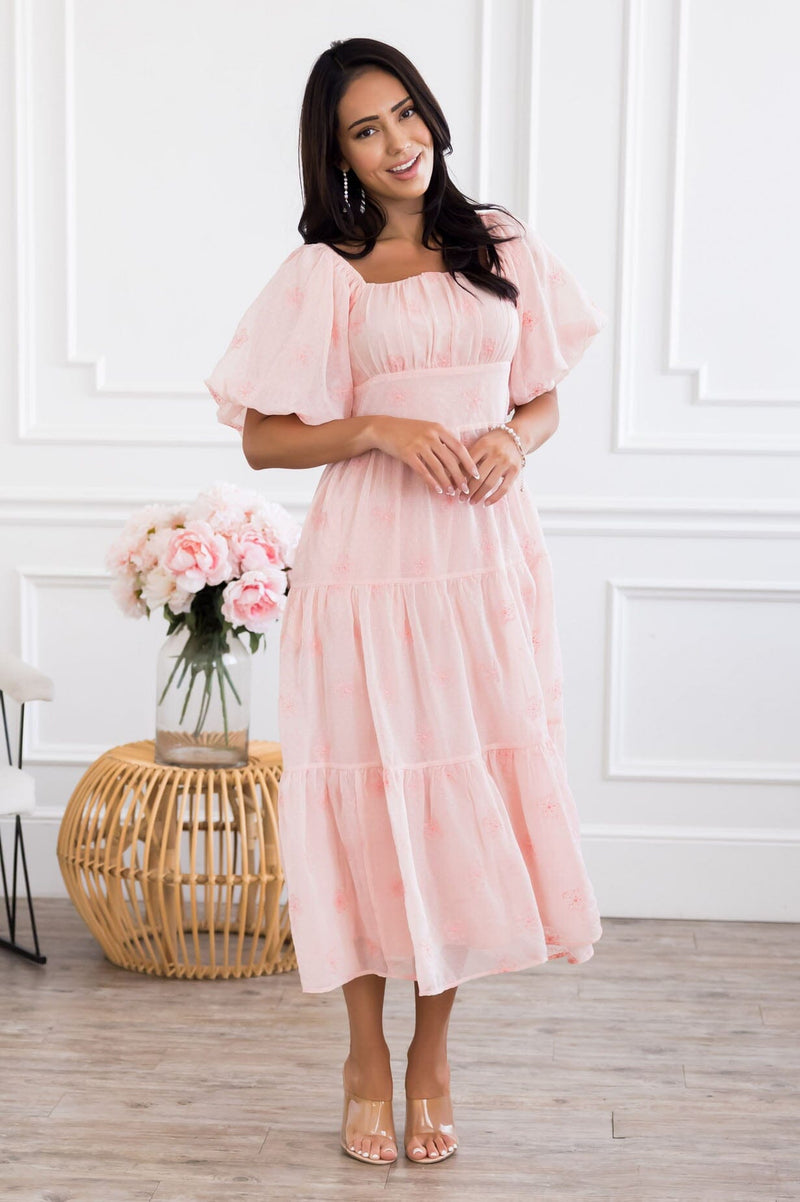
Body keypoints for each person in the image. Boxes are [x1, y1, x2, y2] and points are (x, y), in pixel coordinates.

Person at [205, 36, 606, 1168]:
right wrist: (376, 425)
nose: (396, 143)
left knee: (460, 796)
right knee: (370, 799)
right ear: (336, 155)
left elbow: (540, 397)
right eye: (365, 131)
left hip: (481, 560)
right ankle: (361, 1057)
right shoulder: (324, 273)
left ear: (430, 113)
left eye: (404, 115)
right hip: (369, 566)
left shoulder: (500, 243)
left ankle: (431, 1054)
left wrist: (515, 441)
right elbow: (263, 439)